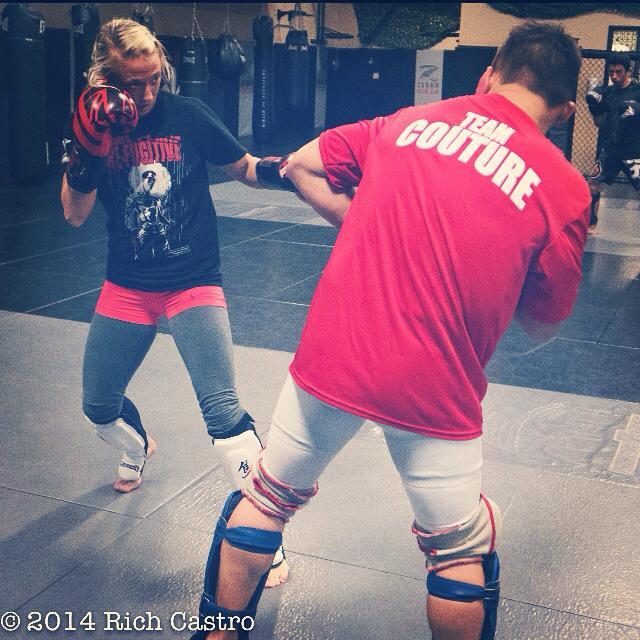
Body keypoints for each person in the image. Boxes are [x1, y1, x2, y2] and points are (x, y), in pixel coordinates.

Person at [190, 22, 591, 640]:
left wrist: (364, 221)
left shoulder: (406, 122)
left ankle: (218, 633)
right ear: (563, 113)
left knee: (266, 498)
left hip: (333, 358)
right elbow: (544, 322)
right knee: (460, 550)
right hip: (435, 385)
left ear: (488, 76)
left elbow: (302, 163)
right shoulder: (564, 187)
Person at [60, 17, 290, 587]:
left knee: (223, 413)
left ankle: (263, 536)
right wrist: (88, 150)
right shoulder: (94, 126)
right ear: (104, 81)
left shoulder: (188, 115)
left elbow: (245, 168)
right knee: (97, 406)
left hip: (193, 282)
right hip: (126, 285)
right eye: (132, 83)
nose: (145, 93)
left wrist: (294, 171)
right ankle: (137, 446)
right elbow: (74, 213)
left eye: (153, 79)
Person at [586, 52, 640, 231]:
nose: (614, 76)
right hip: (611, 150)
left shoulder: (638, 91)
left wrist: (636, 111)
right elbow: (599, 123)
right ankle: (591, 225)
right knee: (592, 184)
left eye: (618, 72)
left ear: (628, 71)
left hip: (634, 151)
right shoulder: (607, 93)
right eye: (611, 72)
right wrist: (594, 109)